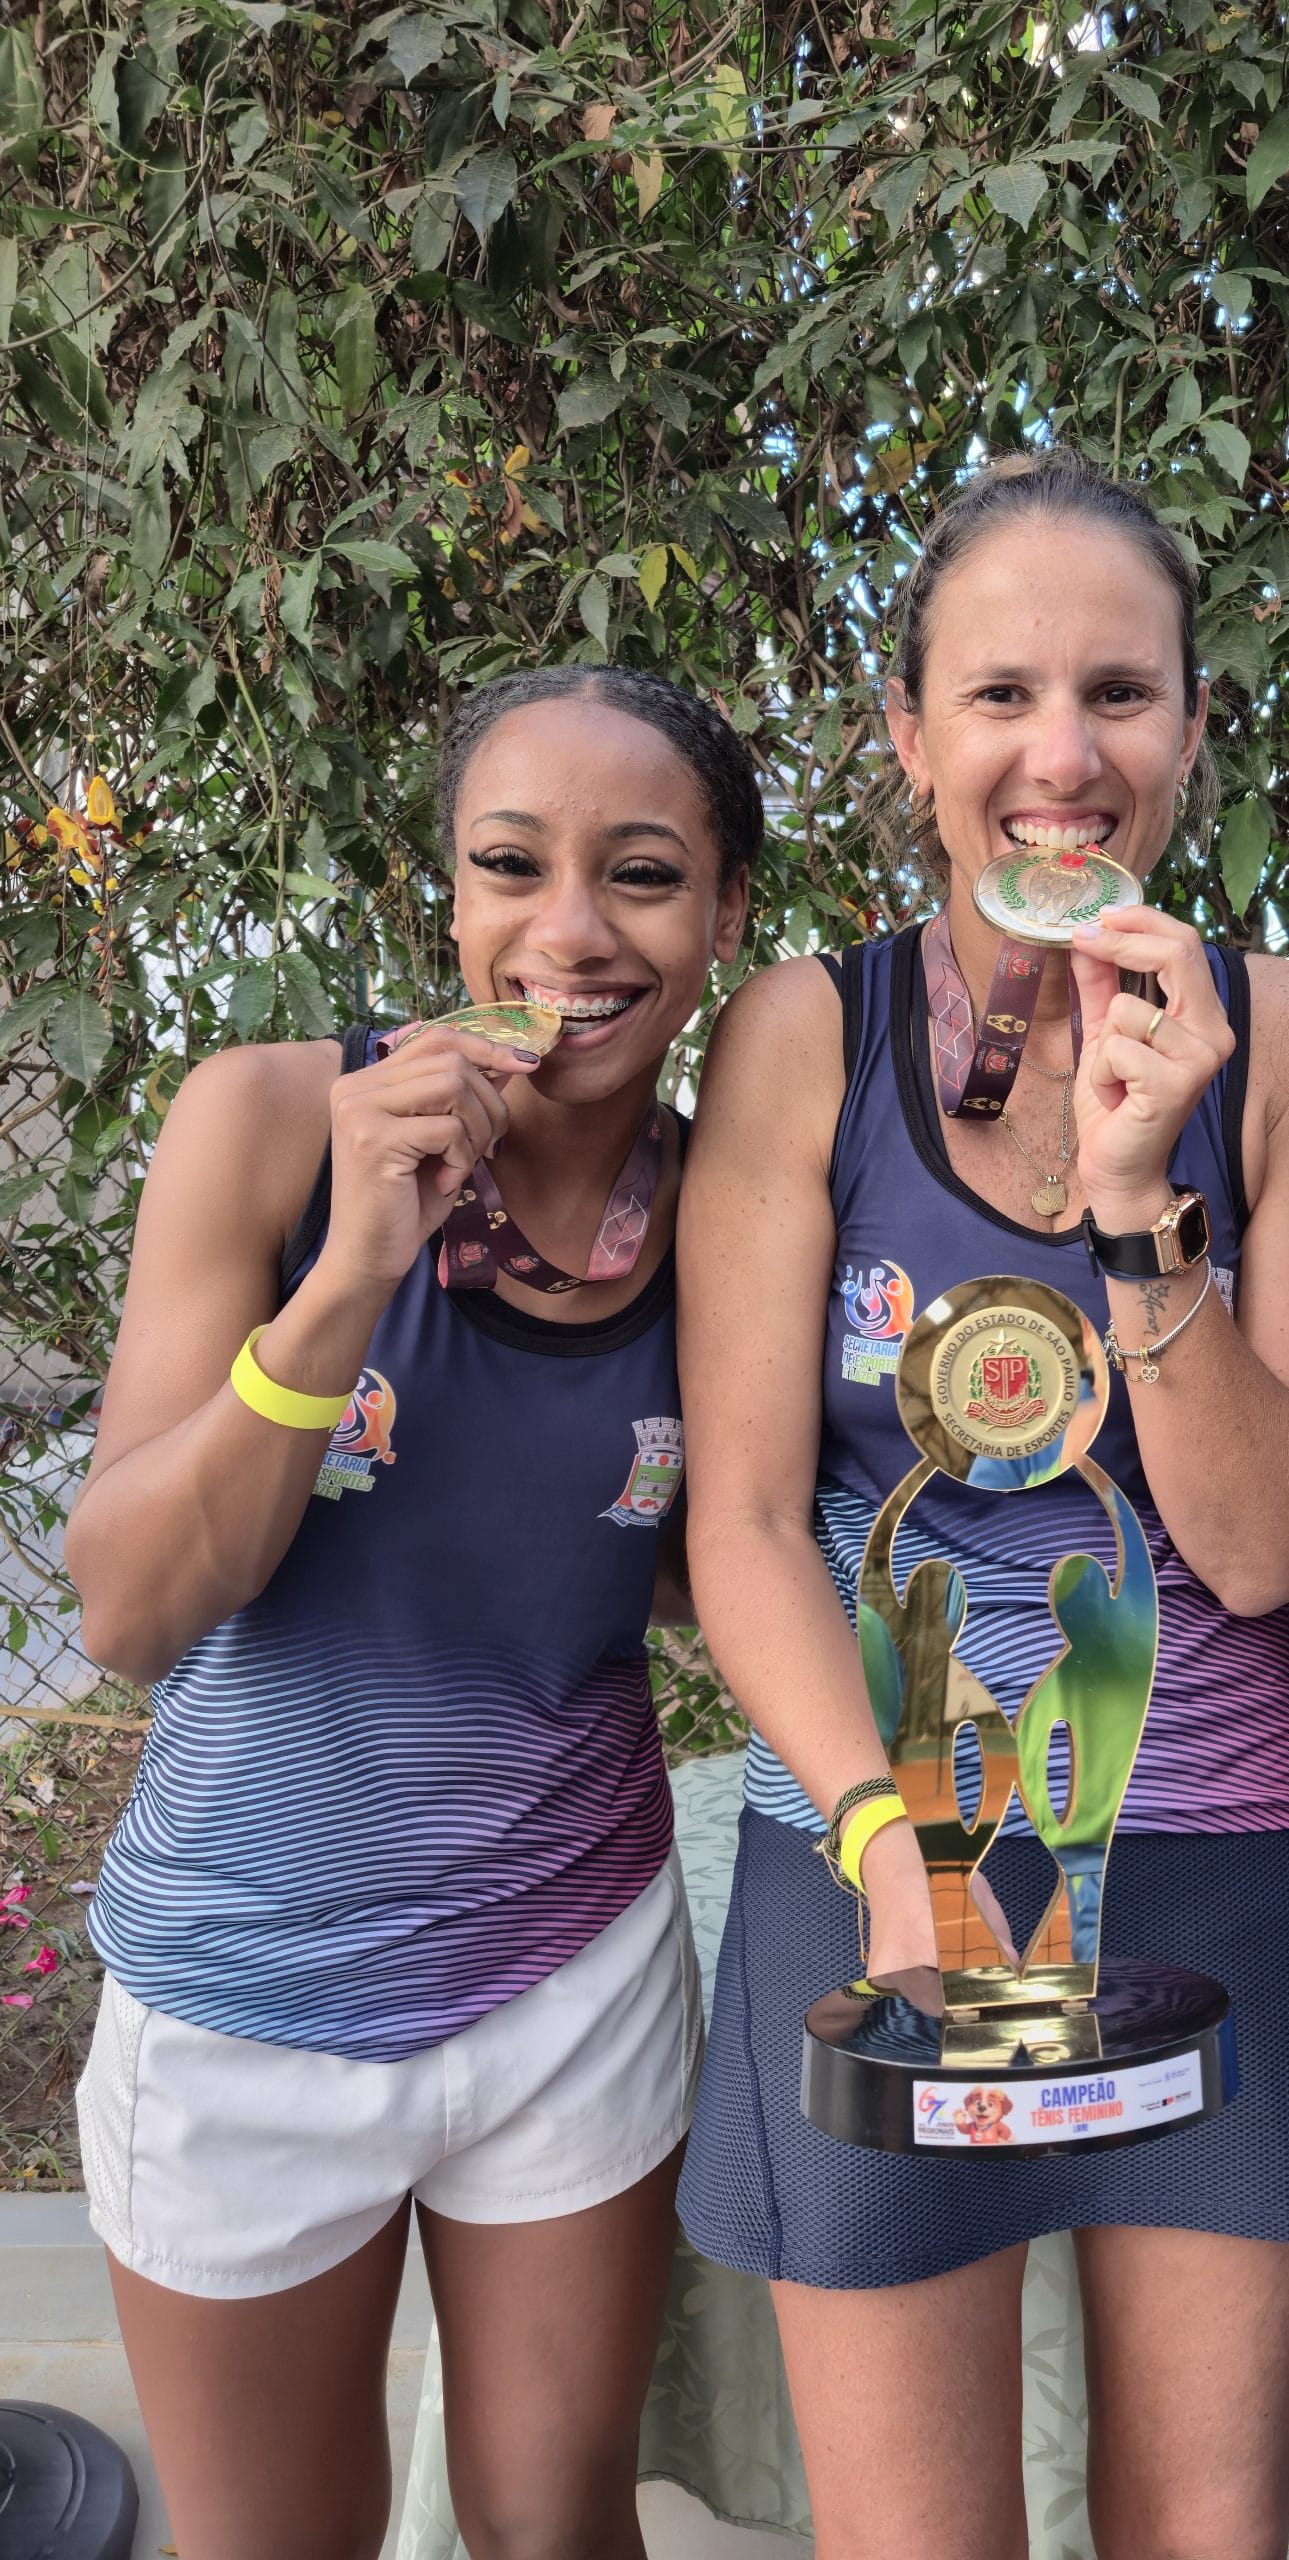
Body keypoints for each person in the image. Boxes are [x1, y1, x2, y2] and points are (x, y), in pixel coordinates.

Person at [675, 447, 1289, 2560]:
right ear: (910, 736)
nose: (1060, 755)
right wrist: (894, 1844)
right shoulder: (809, 1036)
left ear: (1192, 724)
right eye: (998, 696)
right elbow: (737, 1524)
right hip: (880, 1856)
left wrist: (1143, 1201)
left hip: (1215, 1869)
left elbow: (1272, 1554)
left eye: (1119, 693)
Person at [63, 668, 757, 2560]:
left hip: (569, 1974)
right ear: (442, 893)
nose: (571, 934)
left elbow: (722, 1560)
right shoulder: (276, 1125)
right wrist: (352, 1277)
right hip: (243, 1989)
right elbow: (128, 1601)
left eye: (643, 876)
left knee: (555, 2529)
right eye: (511, 866)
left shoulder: (732, 1214)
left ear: (725, 919)